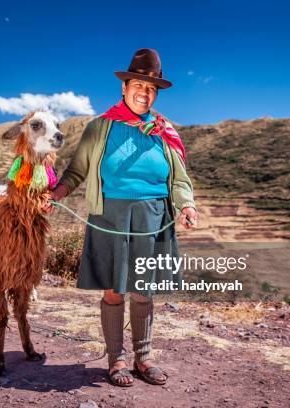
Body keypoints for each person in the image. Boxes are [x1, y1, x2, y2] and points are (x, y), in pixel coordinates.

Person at [49, 48, 197, 387]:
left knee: (143, 290)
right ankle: (116, 360)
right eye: (138, 85)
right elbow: (77, 171)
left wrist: (186, 205)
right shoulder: (100, 128)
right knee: (115, 290)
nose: (144, 93)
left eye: (151, 88)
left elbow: (179, 179)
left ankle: (143, 359)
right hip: (111, 216)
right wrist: (57, 193)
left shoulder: (163, 132)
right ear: (124, 87)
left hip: (153, 215)